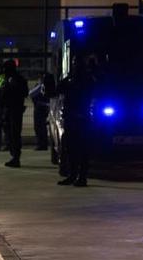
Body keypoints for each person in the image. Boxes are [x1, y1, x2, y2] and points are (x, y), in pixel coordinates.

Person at [57, 55, 96, 187]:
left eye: (76, 63)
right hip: (71, 117)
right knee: (71, 148)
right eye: (74, 63)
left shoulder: (87, 79)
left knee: (82, 149)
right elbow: (59, 90)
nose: (75, 66)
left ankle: (82, 177)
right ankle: (73, 175)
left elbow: (93, 95)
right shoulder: (70, 79)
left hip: (82, 118)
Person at [0, 59, 29, 167]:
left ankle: (16, 157)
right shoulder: (9, 79)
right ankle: (14, 155)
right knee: (9, 133)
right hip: (9, 110)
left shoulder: (16, 79)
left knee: (14, 134)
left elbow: (24, 92)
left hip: (14, 110)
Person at [29, 73, 56, 150]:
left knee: (39, 126)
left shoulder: (42, 86)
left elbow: (31, 93)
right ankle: (42, 144)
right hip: (44, 107)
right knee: (41, 127)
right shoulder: (49, 85)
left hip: (41, 107)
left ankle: (41, 144)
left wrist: (40, 84)